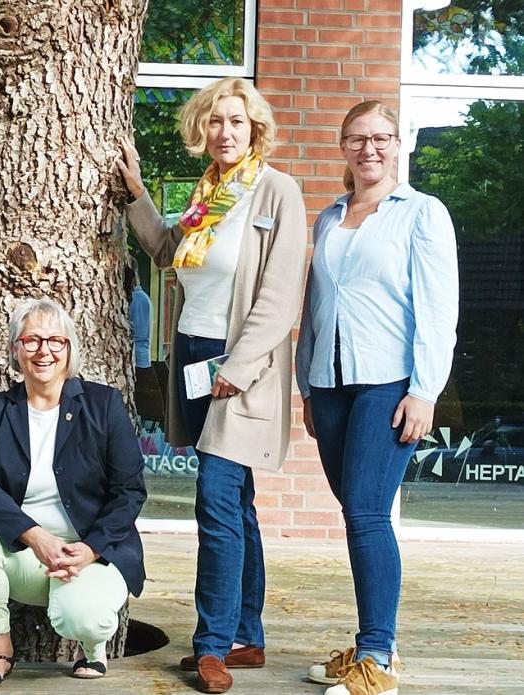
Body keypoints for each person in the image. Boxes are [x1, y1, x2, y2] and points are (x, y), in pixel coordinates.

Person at [117, 77, 307, 694]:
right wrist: (137, 194)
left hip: (238, 366)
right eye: (216, 121)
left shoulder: (275, 190)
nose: (226, 132)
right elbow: (164, 249)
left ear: (256, 129)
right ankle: (247, 636)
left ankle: (211, 646)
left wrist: (239, 368)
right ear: (202, 129)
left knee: (217, 500)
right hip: (194, 358)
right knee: (237, 502)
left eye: (237, 121)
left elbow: (280, 295)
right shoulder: (208, 194)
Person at [296, 100, 458, 695]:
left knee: (366, 513)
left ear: (398, 144)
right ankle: (373, 642)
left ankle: (377, 655)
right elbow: (316, 305)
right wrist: (306, 385)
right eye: (358, 139)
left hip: (389, 382)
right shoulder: (329, 216)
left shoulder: (422, 212)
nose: (370, 149)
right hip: (330, 385)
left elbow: (438, 310)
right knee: (358, 513)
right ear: (343, 147)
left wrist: (425, 391)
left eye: (381, 138)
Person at [0, 298, 146, 690]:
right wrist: (36, 537)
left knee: (83, 617)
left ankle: (93, 647)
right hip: (25, 552)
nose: (44, 351)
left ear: (69, 348)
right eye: (32, 340)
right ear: (15, 348)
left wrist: (90, 549)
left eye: (56, 340)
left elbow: (129, 491)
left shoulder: (103, 404)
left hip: (91, 554)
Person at [125, 255, 152, 369]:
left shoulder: (136, 298)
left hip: (137, 357)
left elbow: (138, 335)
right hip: (140, 356)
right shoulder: (141, 297)